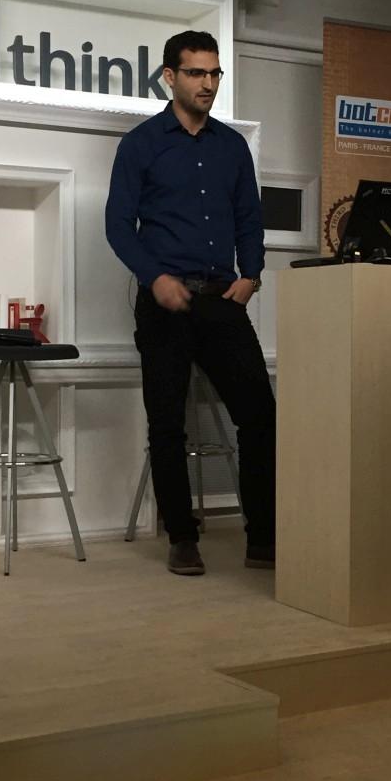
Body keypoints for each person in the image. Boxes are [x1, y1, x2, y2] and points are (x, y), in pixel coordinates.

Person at [105, 30, 276, 577]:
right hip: (165, 303)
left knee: (261, 416)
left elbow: (250, 218)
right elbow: (117, 225)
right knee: (167, 423)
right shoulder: (141, 145)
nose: (208, 83)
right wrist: (153, 277)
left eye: (214, 73)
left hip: (222, 298)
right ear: (170, 77)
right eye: (197, 73)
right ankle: (182, 537)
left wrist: (251, 275)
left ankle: (264, 538)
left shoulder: (232, 147)